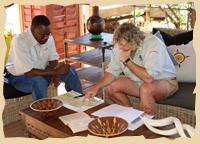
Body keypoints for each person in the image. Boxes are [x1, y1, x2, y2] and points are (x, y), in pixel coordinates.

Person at [85, 23, 178, 114]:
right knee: (110, 86)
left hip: (165, 81)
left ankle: (146, 125)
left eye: (123, 45)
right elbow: (112, 71)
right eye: (119, 44)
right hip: (138, 81)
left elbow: (148, 78)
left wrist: (127, 61)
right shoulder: (120, 45)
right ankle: (130, 116)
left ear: (134, 41)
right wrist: (96, 87)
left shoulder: (153, 44)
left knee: (145, 89)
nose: (120, 47)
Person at [6, 15, 82, 100]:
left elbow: (53, 60)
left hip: (43, 72)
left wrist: (55, 73)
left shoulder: (48, 37)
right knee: (39, 81)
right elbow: (29, 72)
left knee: (70, 71)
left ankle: (79, 102)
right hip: (19, 78)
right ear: (32, 29)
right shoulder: (20, 41)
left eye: (48, 34)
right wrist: (55, 72)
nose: (45, 38)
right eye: (42, 35)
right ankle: (42, 112)